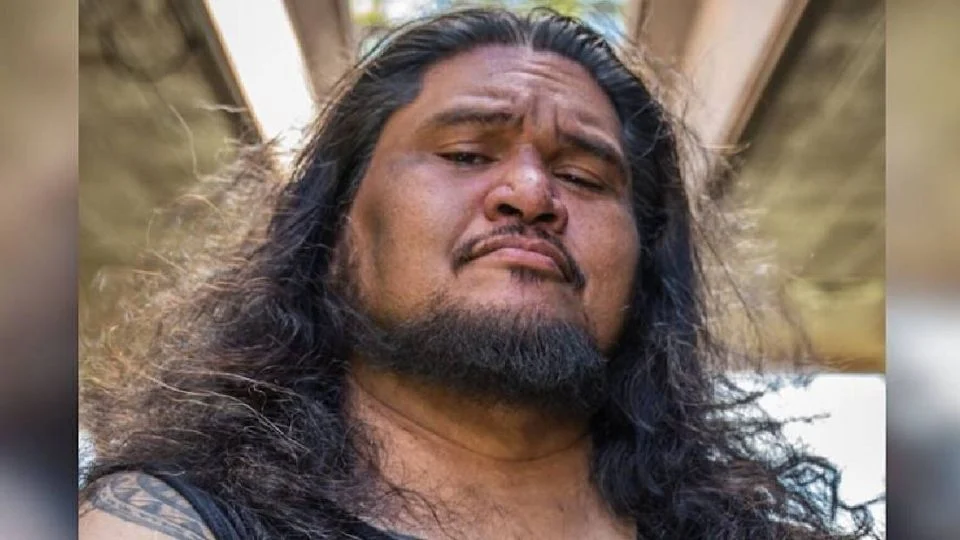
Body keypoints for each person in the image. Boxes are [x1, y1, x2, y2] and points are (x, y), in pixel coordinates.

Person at [79, 8, 876, 539]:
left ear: (647, 268)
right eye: (466, 154)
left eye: (584, 177)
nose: (530, 193)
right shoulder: (168, 521)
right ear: (334, 232)